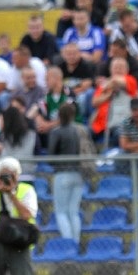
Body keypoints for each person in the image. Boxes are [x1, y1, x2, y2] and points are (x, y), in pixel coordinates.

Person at [46, 102, 85, 242]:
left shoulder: (57, 132)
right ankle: (76, 241)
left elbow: (50, 157)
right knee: (73, 212)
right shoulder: (79, 131)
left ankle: (68, 242)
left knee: (61, 211)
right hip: (78, 173)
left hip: (62, 174)